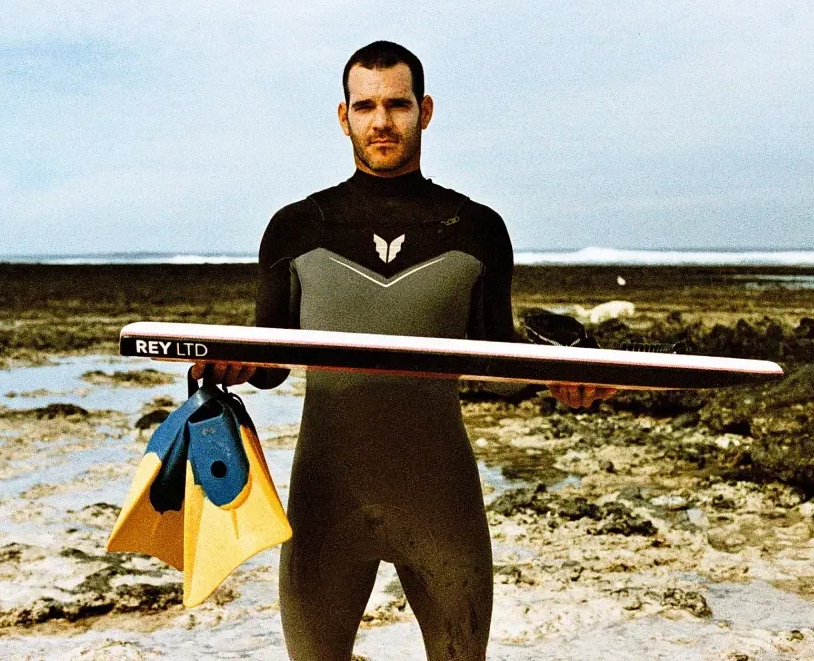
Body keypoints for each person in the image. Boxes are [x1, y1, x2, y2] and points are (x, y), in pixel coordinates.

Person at [193, 40, 614, 661]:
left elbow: (494, 355)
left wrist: (564, 375)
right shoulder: (296, 227)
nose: (382, 121)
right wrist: (228, 364)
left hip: (440, 496)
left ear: (426, 110)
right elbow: (272, 364)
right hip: (325, 499)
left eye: (398, 104)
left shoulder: (476, 229)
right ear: (344, 117)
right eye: (365, 106)